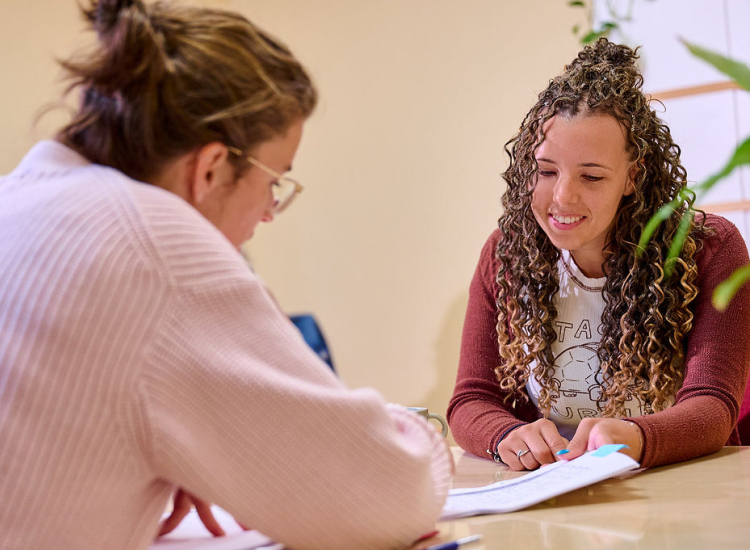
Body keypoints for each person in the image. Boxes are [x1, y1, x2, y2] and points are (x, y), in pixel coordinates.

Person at [0, 2, 453, 550]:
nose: (267, 213)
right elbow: (387, 499)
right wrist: (422, 435)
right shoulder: (158, 246)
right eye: (273, 182)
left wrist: (174, 455)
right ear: (211, 168)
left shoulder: (17, 200)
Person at [448, 38, 750, 472]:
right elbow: (472, 398)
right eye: (546, 171)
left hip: (678, 489)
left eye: (591, 176)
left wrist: (638, 437)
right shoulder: (505, 254)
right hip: (558, 495)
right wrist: (506, 435)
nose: (562, 197)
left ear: (633, 176)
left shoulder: (708, 249)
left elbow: (714, 405)